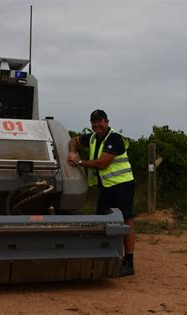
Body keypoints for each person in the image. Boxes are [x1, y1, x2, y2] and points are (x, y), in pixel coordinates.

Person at [68, 109, 136, 276]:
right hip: (106, 186)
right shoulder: (92, 138)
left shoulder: (115, 138)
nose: (97, 125)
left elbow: (103, 163)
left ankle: (129, 262)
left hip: (122, 185)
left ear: (107, 121)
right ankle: (106, 257)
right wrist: (72, 151)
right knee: (102, 220)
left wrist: (80, 162)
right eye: (94, 122)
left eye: (100, 121)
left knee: (126, 220)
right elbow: (74, 140)